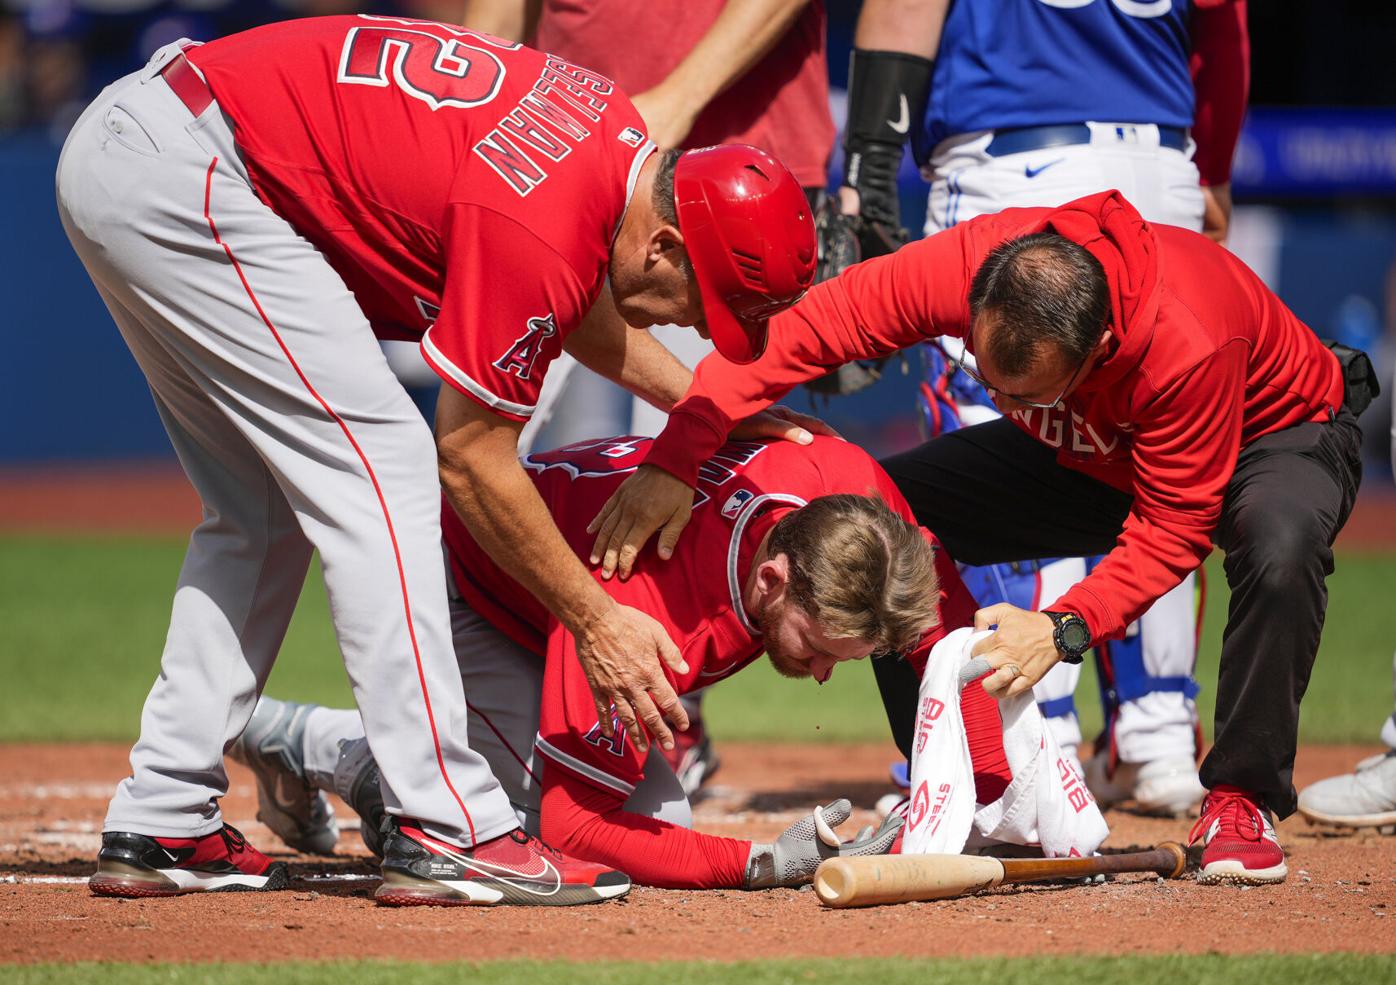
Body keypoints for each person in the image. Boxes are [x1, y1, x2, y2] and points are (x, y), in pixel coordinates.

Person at [57, 13, 818, 904]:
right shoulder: (548, 211)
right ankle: (444, 824)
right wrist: (595, 620)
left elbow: (570, 290)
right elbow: (469, 455)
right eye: (703, 304)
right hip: (197, 168)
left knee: (260, 513)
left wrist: (699, 408)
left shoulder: (614, 145)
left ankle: (164, 813)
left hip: (155, 148)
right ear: (663, 245)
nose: (691, 327)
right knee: (391, 472)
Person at [587, 190, 1372, 886]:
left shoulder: (1186, 342)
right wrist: (677, 455)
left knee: (1277, 545)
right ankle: (950, 773)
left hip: (1271, 437)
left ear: (1094, 352)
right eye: (985, 379)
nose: (993, 399)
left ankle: (1241, 798)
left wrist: (1063, 628)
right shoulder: (980, 260)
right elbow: (809, 327)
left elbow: (1174, 529)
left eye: (1015, 393)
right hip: (1098, 448)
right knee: (887, 513)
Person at [233, 433, 1031, 889]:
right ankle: (337, 752)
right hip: (466, 589)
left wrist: (988, 798)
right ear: (772, 575)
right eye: (818, 647)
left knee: (645, 808)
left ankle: (413, 759)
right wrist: (756, 863)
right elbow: (578, 820)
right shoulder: (653, 616)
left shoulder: (852, 495)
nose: (824, 674)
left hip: (553, 597)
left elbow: (946, 637)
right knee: (641, 822)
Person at [825, 0, 1251, 815]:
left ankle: (1028, 751)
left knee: (1005, 448)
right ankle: (1158, 734)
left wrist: (867, 172)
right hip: (1160, 159)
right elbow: (1224, 26)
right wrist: (1216, 166)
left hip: (1010, 149)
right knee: (1158, 456)